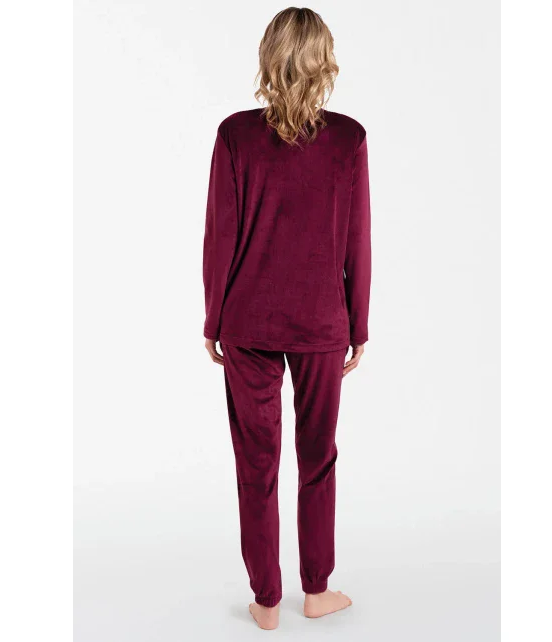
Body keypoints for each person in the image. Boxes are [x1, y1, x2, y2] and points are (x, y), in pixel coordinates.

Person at [202, 7, 371, 630]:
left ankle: (268, 600)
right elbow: (358, 242)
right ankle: (316, 590)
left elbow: (219, 236)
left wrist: (214, 318)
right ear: (323, 61)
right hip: (323, 321)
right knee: (317, 456)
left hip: (248, 320)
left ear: (268, 57)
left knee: (257, 463)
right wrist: (358, 323)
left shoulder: (235, 135)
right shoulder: (348, 140)